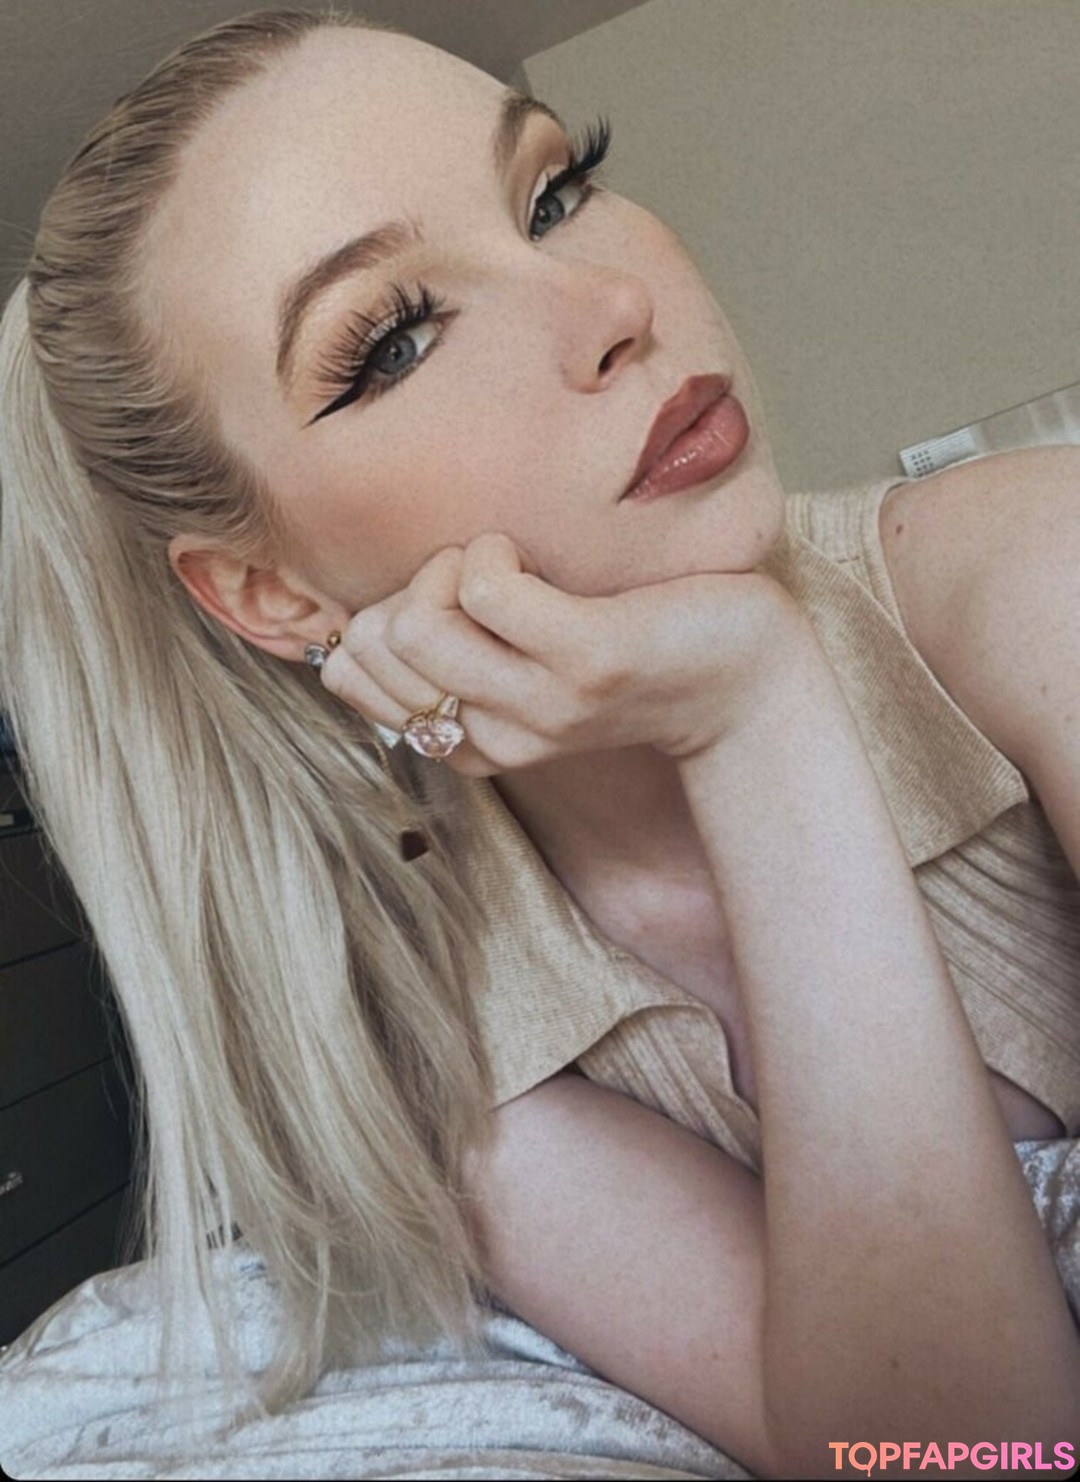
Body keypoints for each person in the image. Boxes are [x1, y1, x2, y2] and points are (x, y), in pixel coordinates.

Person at [0, 7, 1077, 1476]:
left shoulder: (1040, 575)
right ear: (272, 593)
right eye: (394, 340)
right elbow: (947, 1458)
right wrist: (752, 720)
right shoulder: (427, 1023)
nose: (612, 301)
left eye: (556, 193)